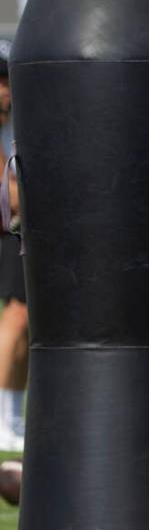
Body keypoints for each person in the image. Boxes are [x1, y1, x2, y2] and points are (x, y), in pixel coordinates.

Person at [0, 40, 27, 452]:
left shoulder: (15, 124)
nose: (6, 90)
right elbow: (14, 197)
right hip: (9, 229)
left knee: (24, 317)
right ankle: (6, 418)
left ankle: (13, 418)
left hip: (13, 233)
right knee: (19, 317)